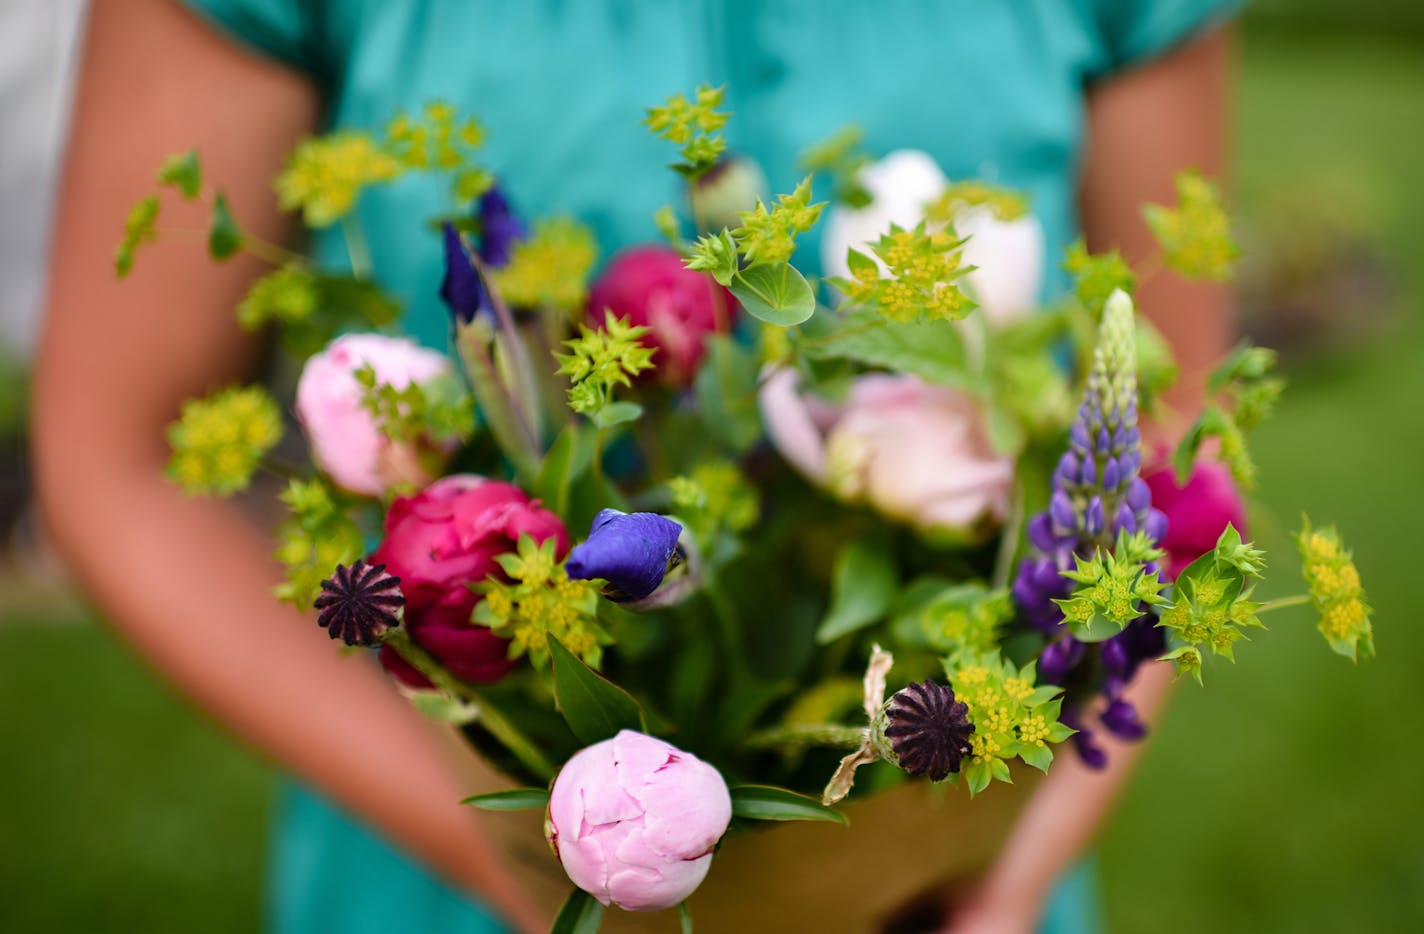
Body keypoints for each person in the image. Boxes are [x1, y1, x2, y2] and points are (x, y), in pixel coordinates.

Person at [33, 1, 1239, 931]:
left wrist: (1001, 877)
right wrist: (522, 861)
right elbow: (118, 458)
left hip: (944, 866)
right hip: (441, 834)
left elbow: (1165, 449)